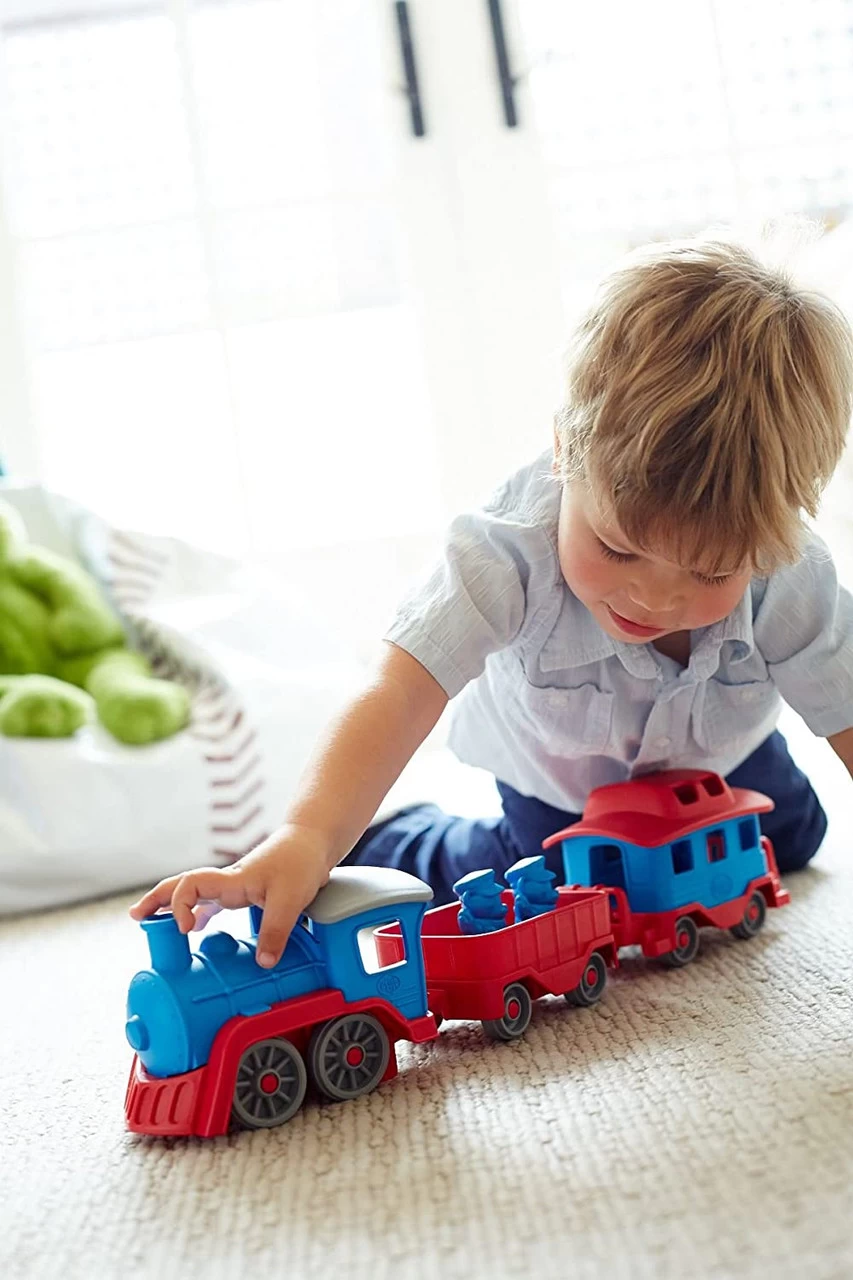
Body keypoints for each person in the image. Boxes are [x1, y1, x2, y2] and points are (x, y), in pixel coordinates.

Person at [131, 234, 853, 969]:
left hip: (720, 765)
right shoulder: (503, 551)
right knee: (553, 902)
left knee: (792, 841)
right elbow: (398, 691)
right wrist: (309, 836)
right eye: (616, 548)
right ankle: (404, 838)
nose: (654, 596)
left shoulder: (791, 570)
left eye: (709, 573)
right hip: (563, 796)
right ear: (564, 452)